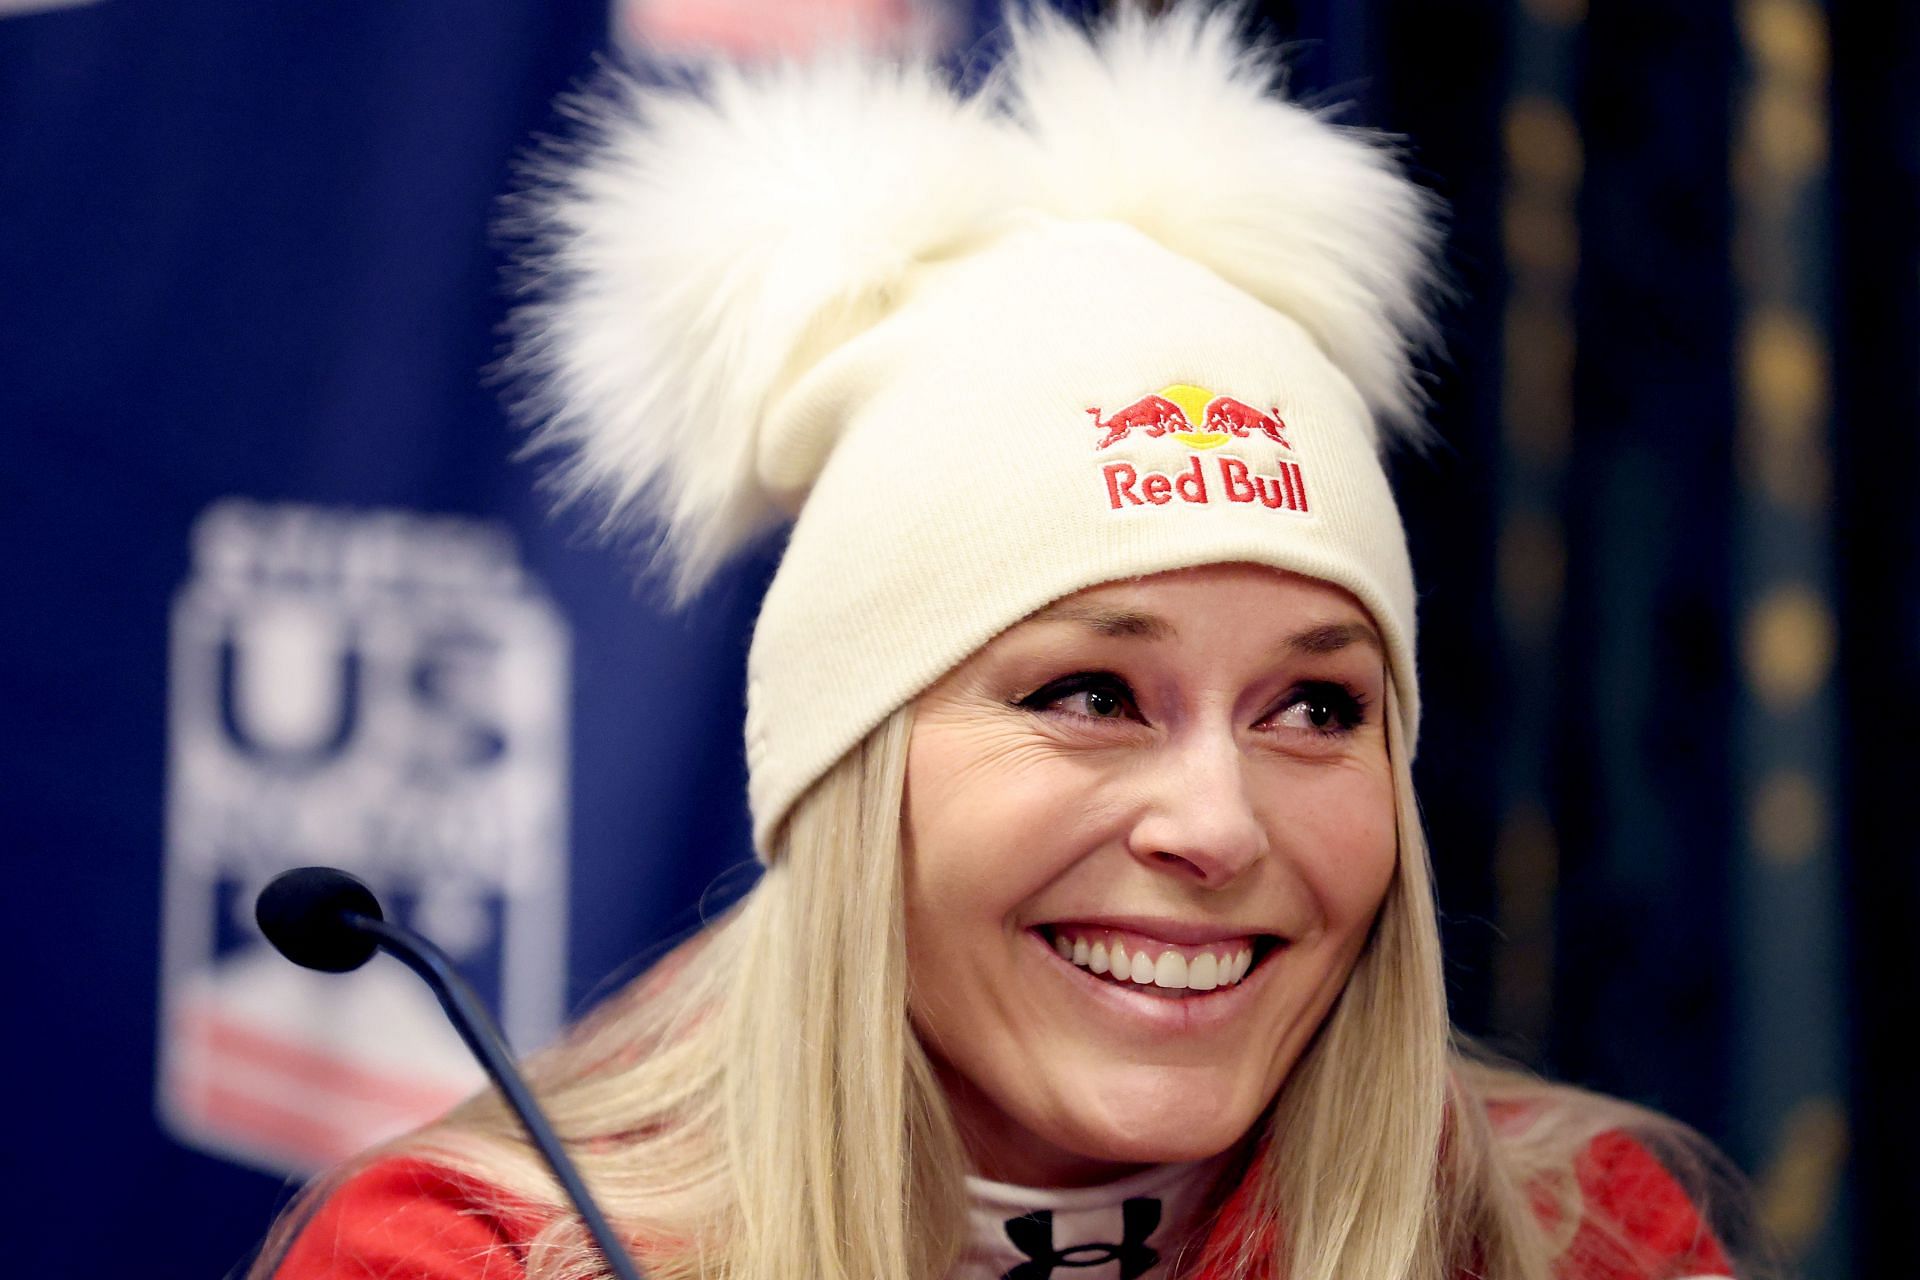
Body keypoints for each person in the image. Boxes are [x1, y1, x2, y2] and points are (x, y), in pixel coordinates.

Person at [255, 6, 1769, 1278]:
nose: (1215, 823)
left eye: (1315, 707)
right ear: (851, 766)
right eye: (1092, 692)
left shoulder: (1581, 1237)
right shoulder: (469, 1259)